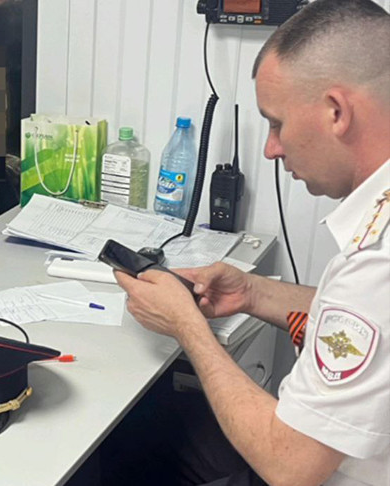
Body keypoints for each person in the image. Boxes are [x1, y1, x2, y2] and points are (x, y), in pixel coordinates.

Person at [112, 1, 390, 485]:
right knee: (149, 422)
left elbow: (291, 467)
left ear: (337, 112)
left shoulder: (377, 262)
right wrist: (251, 292)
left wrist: (186, 326)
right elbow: (359, 320)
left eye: (277, 123)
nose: (270, 148)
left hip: (310, 468)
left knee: (124, 441)